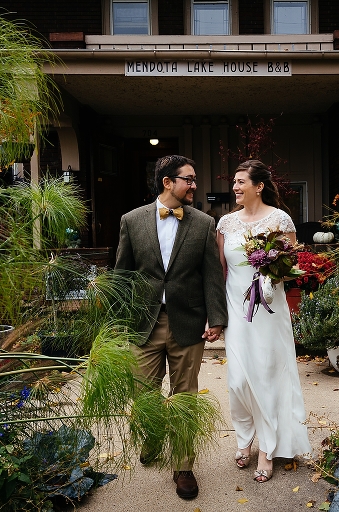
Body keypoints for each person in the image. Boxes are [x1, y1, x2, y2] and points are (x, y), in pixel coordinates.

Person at [115, 154, 228, 500]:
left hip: (188, 322)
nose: (195, 185)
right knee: (142, 394)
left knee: (185, 398)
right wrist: (118, 323)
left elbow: (211, 275)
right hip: (143, 324)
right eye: (189, 179)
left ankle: (183, 467)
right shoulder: (132, 221)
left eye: (194, 179)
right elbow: (122, 275)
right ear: (168, 182)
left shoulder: (203, 223)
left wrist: (217, 319)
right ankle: (150, 439)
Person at [216, 159, 312, 483]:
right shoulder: (225, 224)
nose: (235, 187)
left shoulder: (280, 220)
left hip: (269, 311)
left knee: (268, 376)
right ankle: (244, 437)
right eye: (234, 181)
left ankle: (267, 449)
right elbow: (220, 272)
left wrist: (271, 268)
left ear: (258, 186)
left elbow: (289, 265)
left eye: (241, 181)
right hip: (236, 311)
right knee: (238, 381)